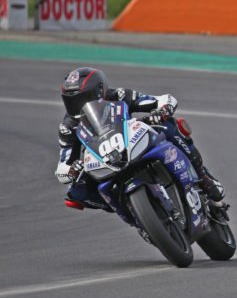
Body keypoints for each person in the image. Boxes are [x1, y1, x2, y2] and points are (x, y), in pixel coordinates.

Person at [55, 67, 225, 213]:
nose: (78, 106)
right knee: (75, 192)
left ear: (100, 90)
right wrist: (72, 170)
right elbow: (62, 167)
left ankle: (203, 177)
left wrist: (163, 110)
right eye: (71, 101)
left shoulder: (119, 95)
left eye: (83, 98)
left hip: (133, 141)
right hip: (103, 161)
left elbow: (164, 99)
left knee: (169, 125)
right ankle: (128, 209)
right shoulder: (68, 126)